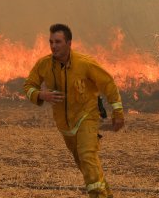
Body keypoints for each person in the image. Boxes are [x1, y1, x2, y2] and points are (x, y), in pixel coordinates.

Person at [24, 23, 125, 198]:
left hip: (87, 116)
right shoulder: (44, 65)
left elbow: (108, 84)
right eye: (51, 42)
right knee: (84, 162)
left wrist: (118, 112)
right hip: (64, 124)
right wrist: (41, 95)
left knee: (87, 156)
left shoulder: (85, 64)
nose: (53, 46)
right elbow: (28, 86)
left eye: (58, 42)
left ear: (69, 43)